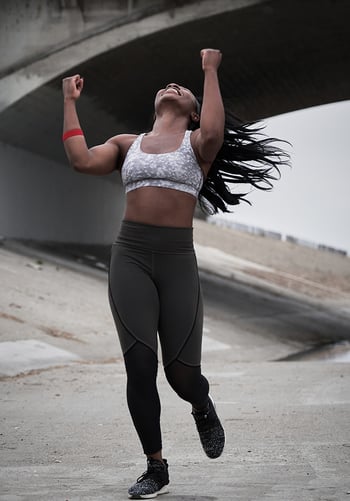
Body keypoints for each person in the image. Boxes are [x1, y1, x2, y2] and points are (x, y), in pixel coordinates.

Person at [62, 48, 289, 499]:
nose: (172, 86)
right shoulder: (128, 143)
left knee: (181, 376)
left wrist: (208, 70)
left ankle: (202, 406)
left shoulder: (199, 145)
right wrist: (68, 101)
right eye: (167, 86)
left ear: (193, 113)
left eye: (182, 90)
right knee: (139, 366)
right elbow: (81, 161)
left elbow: (216, 129)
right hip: (129, 256)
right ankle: (155, 465)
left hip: (176, 262)